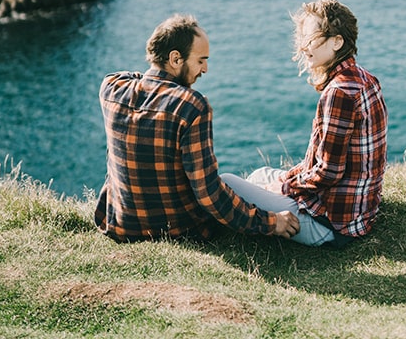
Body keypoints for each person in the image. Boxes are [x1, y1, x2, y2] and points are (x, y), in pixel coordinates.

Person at [94, 13, 300, 243]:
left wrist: (154, 81)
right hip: (177, 232)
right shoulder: (192, 105)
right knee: (234, 182)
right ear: (175, 59)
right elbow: (208, 194)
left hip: (120, 226)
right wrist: (271, 222)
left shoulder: (112, 89)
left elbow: (134, 77)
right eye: (201, 60)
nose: (205, 69)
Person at [221, 0, 388, 247]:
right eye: (301, 39)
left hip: (331, 226)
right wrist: (285, 180)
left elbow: (328, 172)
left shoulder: (338, 93)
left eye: (310, 40)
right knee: (258, 175)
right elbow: (321, 164)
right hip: (360, 212)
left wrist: (285, 188)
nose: (302, 48)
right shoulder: (365, 79)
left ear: (337, 41)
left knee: (225, 182)